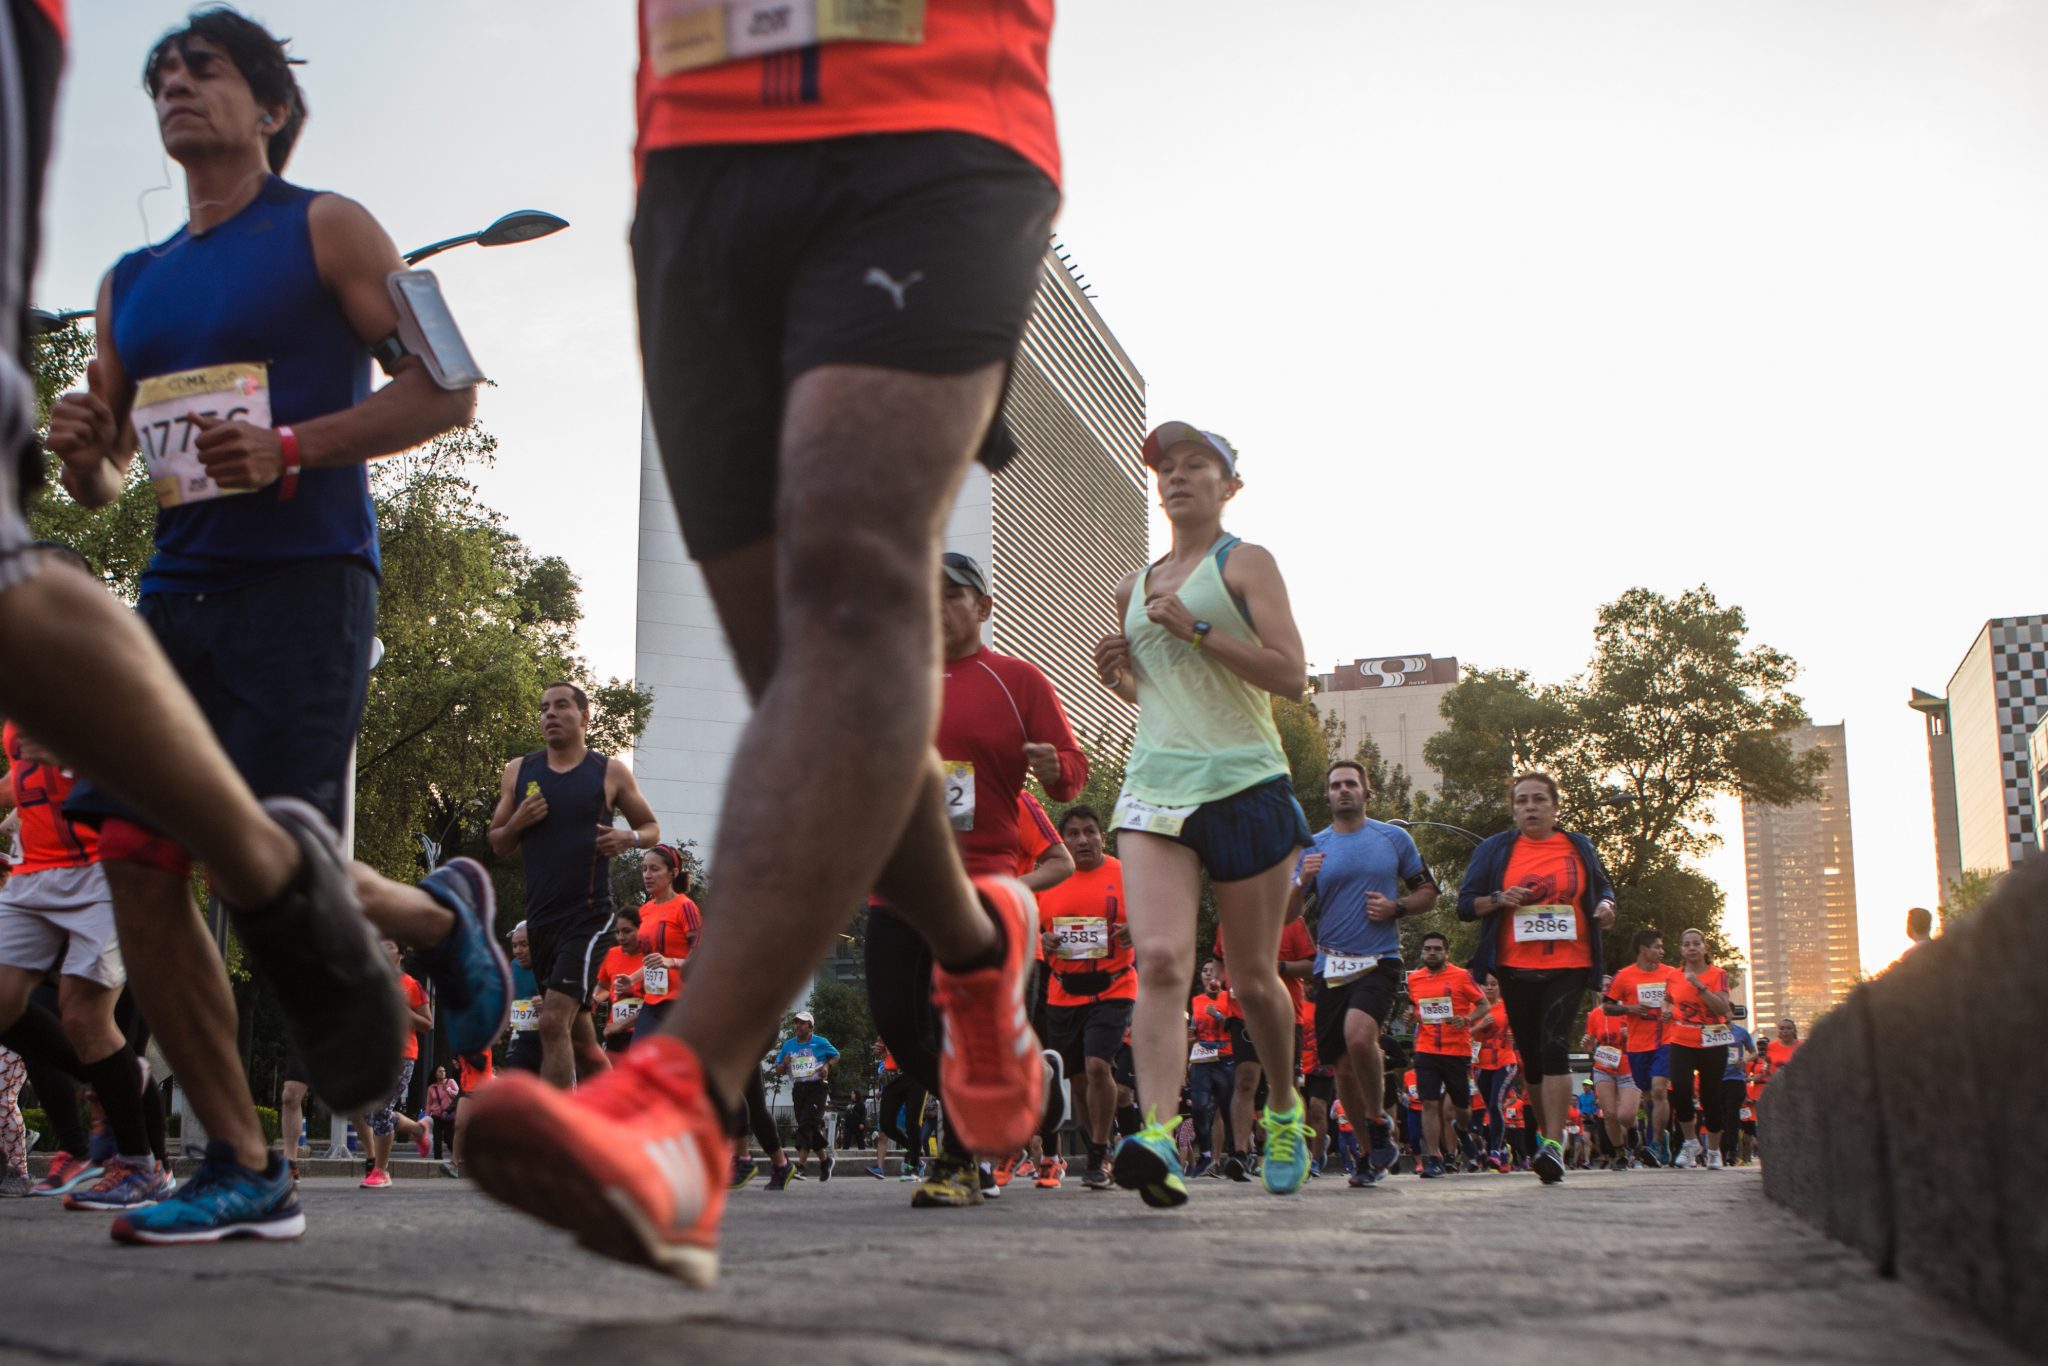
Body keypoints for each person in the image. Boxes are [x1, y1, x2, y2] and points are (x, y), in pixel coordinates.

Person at [461, 0, 1062, 1287]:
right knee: (807, 684)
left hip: (929, 113)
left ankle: (682, 1105)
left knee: (852, 589)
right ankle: (976, 945)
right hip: (699, 151)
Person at [40, 10, 509, 1245]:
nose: (179, 90)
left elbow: (448, 386)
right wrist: (83, 453)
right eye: (164, 78)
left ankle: (436, 919)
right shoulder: (127, 287)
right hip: (173, 594)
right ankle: (240, 1164)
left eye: (206, 72)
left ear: (270, 108)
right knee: (140, 860)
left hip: (309, 583)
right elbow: (106, 484)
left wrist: (297, 446)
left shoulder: (329, 226)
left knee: (267, 868)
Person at [1094, 423, 1316, 1206]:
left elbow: (1291, 675)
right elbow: (1160, 701)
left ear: (1230, 486)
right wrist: (1123, 678)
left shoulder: (1244, 562)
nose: (1178, 477)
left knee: (1255, 977)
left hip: (1245, 782)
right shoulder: (1132, 584)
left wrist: (1196, 629)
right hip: (1155, 786)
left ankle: (1285, 1111)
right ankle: (1157, 1136)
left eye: (1198, 465)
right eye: (1167, 467)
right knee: (1158, 960)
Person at [864, 551, 1085, 1208]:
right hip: (899, 885)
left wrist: (1053, 767)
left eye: (951, 594)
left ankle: (960, 1161)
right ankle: (1027, 1088)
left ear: (983, 607)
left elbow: (1070, 771)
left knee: (955, 1027)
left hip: (980, 885)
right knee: (899, 1026)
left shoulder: (1016, 681)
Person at [0, 712, 169, 1209]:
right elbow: (21, 779)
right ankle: (115, 1075)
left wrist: (79, 755)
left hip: (102, 865)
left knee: (83, 1015)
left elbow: (158, 756)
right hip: (35, 873)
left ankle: (141, 1166)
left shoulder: (84, 669)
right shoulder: (16, 705)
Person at [487, 683, 658, 1088]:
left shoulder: (608, 771)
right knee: (581, 1041)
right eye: (544, 707)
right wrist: (518, 822)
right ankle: (618, 1121)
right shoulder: (519, 771)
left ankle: (559, 1142)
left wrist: (629, 839)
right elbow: (498, 842)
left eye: (561, 706)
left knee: (551, 1021)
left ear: (584, 716)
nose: (550, 714)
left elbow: (650, 827)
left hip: (589, 915)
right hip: (541, 920)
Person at [1456, 771, 1617, 1185]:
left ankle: (1552, 1143)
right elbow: (1465, 905)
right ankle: (1549, 1136)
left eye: (1538, 800)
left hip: (1571, 963)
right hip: (1515, 966)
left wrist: (1605, 908)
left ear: (1554, 806)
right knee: (1531, 1056)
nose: (1530, 807)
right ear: (1513, 809)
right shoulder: (1496, 850)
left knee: (1554, 1044)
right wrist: (1499, 899)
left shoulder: (1578, 845)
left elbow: (1602, 889)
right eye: (1521, 801)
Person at [1292, 759, 1431, 1187]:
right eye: (1336, 785)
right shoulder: (1313, 846)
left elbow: (1428, 892)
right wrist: (1301, 882)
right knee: (1341, 1069)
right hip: (1330, 966)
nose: (1344, 791)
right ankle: (1373, 1149)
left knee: (1358, 1036)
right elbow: (1287, 915)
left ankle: (1378, 1123)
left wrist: (1397, 908)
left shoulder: (1393, 838)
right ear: (1328, 796)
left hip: (1379, 959)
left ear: (1366, 793)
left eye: (1352, 784)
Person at [1037, 804, 1132, 1191]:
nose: (1082, 839)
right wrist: (1042, 941)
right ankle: (1102, 1146)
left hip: (1115, 985)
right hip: (1062, 991)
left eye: (1090, 831)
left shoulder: (1126, 874)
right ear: (1063, 840)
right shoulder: (1048, 878)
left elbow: (1156, 917)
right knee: (1077, 1081)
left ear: (1102, 837)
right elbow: (1031, 929)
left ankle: (1096, 1154)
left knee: (1097, 1066)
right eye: (1073, 833)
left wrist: (1136, 931)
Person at [1405, 932, 1489, 1178]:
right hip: (1426, 1049)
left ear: (1446, 952)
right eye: (1428, 949)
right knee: (1428, 1103)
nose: (1432, 953)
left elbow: (1483, 1005)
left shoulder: (1461, 976)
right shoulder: (1415, 979)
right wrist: (1411, 1014)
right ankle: (1434, 1157)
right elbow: (1413, 1004)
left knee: (1462, 1107)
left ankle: (1462, 1130)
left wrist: (1466, 1019)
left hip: (1457, 1050)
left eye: (1437, 949)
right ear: (1423, 952)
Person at [356, 942, 431, 1190]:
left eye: (387, 945)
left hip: (401, 1054)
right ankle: (419, 1129)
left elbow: (426, 1024)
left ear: (400, 954)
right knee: (370, 1112)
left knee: (380, 1109)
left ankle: (381, 1171)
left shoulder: (411, 985)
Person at [1603, 930, 1680, 1165]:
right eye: (1657, 947)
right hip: (1637, 1045)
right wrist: (1631, 1009)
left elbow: (1682, 1001)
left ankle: (1655, 1144)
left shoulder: (1672, 974)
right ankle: (1662, 1137)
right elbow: (1608, 1007)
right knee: (1647, 1095)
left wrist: (1671, 1011)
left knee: (1659, 1090)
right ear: (1643, 950)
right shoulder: (1624, 976)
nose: (1662, 951)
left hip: (1665, 1040)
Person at [1664, 929, 1732, 1170]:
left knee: (1710, 1097)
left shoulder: (1718, 974)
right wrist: (1665, 1009)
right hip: (1681, 1039)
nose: (1691, 948)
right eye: (1686, 944)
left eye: (1696, 944)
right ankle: (1690, 1143)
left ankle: (1714, 1151)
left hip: (1712, 1040)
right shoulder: (1673, 975)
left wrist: (1699, 985)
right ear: (1681, 950)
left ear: (1705, 948)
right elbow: (1669, 999)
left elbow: (1723, 1008)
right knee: (1680, 1090)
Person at [632, 846, 700, 1042]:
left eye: (654, 869)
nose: (647, 875)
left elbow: (700, 959)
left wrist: (672, 962)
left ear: (673, 873)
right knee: (640, 1059)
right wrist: (631, 979)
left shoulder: (685, 907)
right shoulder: (644, 911)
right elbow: (651, 960)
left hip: (681, 1003)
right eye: (644, 869)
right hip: (652, 1000)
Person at [774, 1011, 839, 1182]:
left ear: (810, 1026)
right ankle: (825, 1161)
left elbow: (836, 1055)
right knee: (808, 1127)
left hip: (817, 1088)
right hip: (799, 1088)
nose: (798, 1026)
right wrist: (785, 1063)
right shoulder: (788, 1045)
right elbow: (777, 1070)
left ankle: (801, 1167)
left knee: (805, 1124)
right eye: (796, 1023)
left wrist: (826, 1066)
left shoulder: (821, 1042)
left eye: (802, 1023)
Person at [1582, 974, 1637, 1168]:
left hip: (1628, 1067)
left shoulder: (1627, 1011)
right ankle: (1620, 1152)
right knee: (1609, 1114)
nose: (1606, 990)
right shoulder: (1594, 1015)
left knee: (1625, 1116)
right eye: (1603, 987)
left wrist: (1630, 1035)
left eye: (1610, 987)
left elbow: (1642, 1039)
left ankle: (1632, 1128)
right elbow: (1592, 1045)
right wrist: (1588, 1046)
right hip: (1603, 1068)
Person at [1186, 959, 1234, 1177]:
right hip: (1201, 1060)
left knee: (1226, 1109)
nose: (1208, 975)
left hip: (1225, 1058)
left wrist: (1218, 1015)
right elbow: (1192, 1031)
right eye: (1204, 971)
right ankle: (1205, 1155)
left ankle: (1235, 1155)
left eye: (1212, 971)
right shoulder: (1195, 1001)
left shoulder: (1230, 998)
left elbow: (1235, 1027)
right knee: (1198, 1107)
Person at [1475, 975, 1521, 1171]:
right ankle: (1503, 1151)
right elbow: (1465, 1033)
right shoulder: (1475, 1008)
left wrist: (1515, 1035)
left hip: (1505, 1061)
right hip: (1481, 1063)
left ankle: (1494, 1150)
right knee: (1491, 1107)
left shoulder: (1508, 1006)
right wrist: (1481, 1025)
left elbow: (1521, 1032)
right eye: (1486, 984)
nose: (1490, 988)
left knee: (1495, 1104)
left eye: (1494, 984)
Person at [594, 908, 646, 1056]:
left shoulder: (653, 957)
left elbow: (657, 1004)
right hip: (615, 1034)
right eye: (617, 932)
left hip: (643, 1033)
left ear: (642, 928)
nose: (621, 937)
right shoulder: (611, 954)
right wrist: (594, 999)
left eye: (627, 931)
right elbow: (603, 986)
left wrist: (621, 1025)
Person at [503, 923, 543, 1076]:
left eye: (523, 945)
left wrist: (550, 1000)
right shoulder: (513, 966)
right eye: (514, 946)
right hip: (522, 1042)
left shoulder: (554, 964)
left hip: (552, 1043)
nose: (518, 951)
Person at [1718, 1007, 1755, 1169]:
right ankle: (1719, 1150)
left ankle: (1731, 1151)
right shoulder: (1711, 1031)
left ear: (1732, 1014)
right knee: (1719, 1117)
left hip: (1735, 1078)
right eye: (1721, 1012)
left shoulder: (1741, 1032)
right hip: (1716, 1079)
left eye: (1727, 1012)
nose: (1724, 1015)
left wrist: (1745, 1060)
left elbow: (1753, 1052)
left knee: (1732, 1115)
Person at [424, 1066, 459, 1162]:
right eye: (440, 1071)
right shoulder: (431, 1087)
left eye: (444, 1071)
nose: (442, 1073)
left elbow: (458, 1094)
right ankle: (438, 1159)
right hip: (436, 1116)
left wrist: (448, 1090)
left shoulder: (450, 1082)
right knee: (437, 1139)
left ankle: (457, 1156)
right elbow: (429, 1103)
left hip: (448, 1115)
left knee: (449, 1137)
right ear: (435, 1074)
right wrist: (427, 1117)